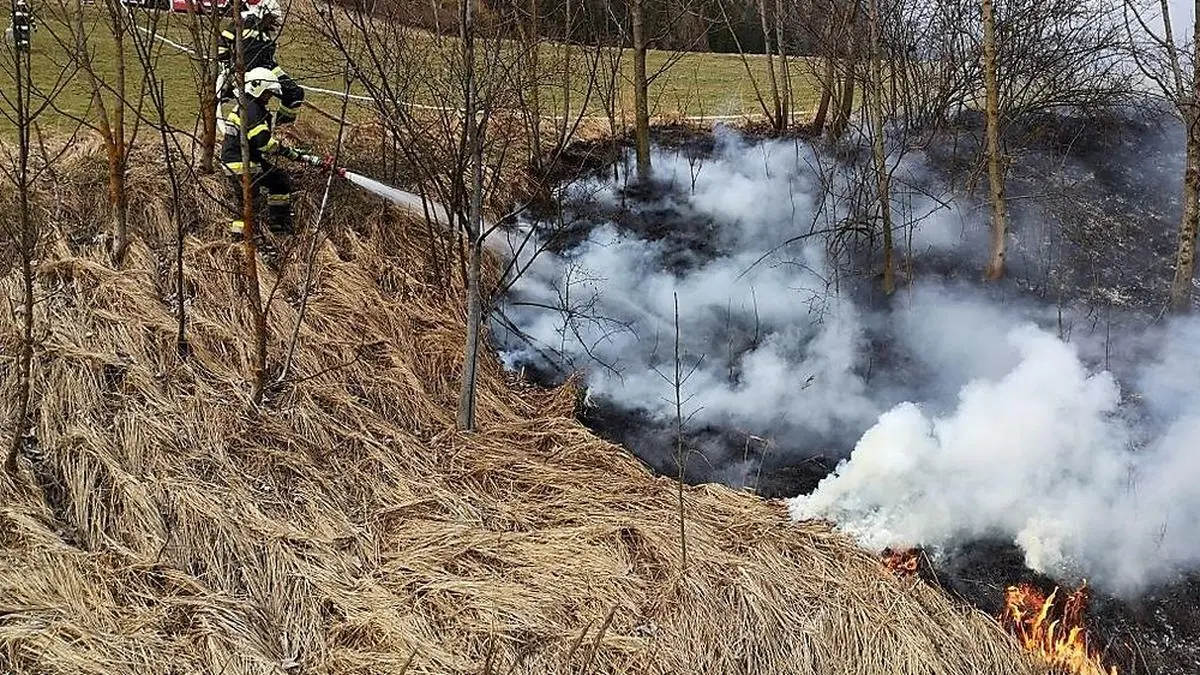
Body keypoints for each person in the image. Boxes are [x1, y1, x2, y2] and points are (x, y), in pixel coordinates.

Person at [220, 67, 327, 241]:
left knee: (278, 181)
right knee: (249, 202)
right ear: (258, 88)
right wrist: (287, 152)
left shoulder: (247, 106)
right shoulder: (252, 110)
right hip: (242, 163)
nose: (269, 98)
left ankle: (278, 226)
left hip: (244, 160)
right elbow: (263, 142)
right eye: (267, 93)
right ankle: (241, 240)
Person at [216, 0, 304, 125]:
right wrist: (229, 68)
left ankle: (283, 128)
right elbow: (222, 45)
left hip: (266, 67)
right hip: (252, 71)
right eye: (272, 18)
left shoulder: (264, 31)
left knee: (294, 93)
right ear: (264, 13)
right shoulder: (244, 23)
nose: (274, 22)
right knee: (257, 102)